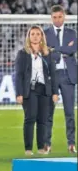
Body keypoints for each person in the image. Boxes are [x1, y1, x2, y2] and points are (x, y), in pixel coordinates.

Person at [15, 26, 59, 156]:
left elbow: (53, 74)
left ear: (41, 37)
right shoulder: (23, 53)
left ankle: (41, 148)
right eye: (32, 34)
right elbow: (19, 75)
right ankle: (28, 149)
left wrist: (55, 92)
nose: (35, 36)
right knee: (30, 118)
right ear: (29, 36)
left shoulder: (47, 53)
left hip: (45, 89)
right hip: (30, 89)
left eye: (38, 34)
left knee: (43, 120)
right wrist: (19, 93)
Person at [44, 5, 77, 154]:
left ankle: (71, 143)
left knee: (69, 112)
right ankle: (46, 144)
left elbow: (72, 50)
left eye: (60, 17)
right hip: (52, 76)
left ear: (64, 17)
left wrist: (55, 49)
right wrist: (62, 50)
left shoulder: (72, 33)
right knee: (48, 112)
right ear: (51, 18)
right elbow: (46, 53)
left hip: (68, 75)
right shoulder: (45, 34)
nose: (57, 20)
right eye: (55, 17)